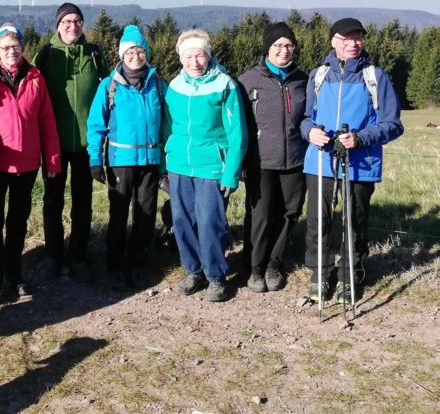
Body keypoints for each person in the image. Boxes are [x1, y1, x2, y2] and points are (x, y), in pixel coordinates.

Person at [301, 18, 403, 303]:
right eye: (347, 38)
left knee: (354, 224)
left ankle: (349, 278)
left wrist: (360, 138)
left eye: (358, 38)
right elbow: (306, 118)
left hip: (361, 164)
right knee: (317, 222)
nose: (354, 43)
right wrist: (310, 132)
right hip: (320, 162)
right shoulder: (318, 76)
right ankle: (319, 276)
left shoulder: (375, 77)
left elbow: (393, 124)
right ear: (334, 41)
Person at [0, 24, 61, 304]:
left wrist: (52, 158)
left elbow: (47, 121)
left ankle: (14, 273)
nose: (12, 51)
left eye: (16, 46)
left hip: (26, 164)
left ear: (23, 48)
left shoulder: (36, 79)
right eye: (6, 47)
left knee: (18, 222)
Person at [164, 29, 248, 302]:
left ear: (208, 56)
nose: (194, 62)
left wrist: (231, 172)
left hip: (212, 166)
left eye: (199, 55)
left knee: (210, 222)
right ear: (181, 58)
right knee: (182, 221)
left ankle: (215, 276)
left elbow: (237, 132)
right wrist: (166, 162)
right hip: (179, 166)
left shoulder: (224, 84)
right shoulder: (175, 86)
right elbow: (167, 126)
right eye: (188, 56)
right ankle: (193, 270)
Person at [86, 25, 169, 290]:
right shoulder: (109, 86)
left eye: (140, 51)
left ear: (147, 53)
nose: (135, 56)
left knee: (146, 215)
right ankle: (114, 264)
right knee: (118, 215)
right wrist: (95, 159)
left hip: (150, 160)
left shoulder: (158, 85)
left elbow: (169, 124)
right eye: (130, 51)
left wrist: (166, 162)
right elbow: (96, 125)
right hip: (120, 160)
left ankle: (136, 263)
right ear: (122, 54)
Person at [33, 2, 109, 281]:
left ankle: (78, 256)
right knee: (53, 200)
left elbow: (109, 89)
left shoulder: (94, 54)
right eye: (66, 21)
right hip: (53, 141)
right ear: (58, 25)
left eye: (77, 21)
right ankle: (53, 256)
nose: (72, 26)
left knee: (83, 201)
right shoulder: (46, 55)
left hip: (87, 144)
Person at [238, 23, 308, 293]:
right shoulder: (248, 81)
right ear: (267, 48)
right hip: (260, 161)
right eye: (278, 45)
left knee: (289, 214)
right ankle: (254, 267)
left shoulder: (303, 80)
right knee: (261, 215)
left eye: (289, 45)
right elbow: (240, 125)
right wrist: (241, 162)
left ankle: (274, 265)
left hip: (296, 160)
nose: (284, 50)